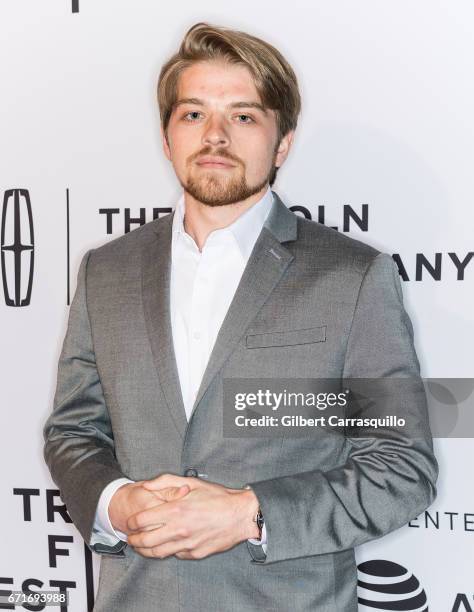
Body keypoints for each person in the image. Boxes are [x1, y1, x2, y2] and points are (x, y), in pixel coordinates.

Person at [43, 22, 438, 611]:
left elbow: (402, 468)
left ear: (282, 144)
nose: (216, 136)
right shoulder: (107, 271)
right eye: (194, 114)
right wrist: (112, 501)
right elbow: (73, 432)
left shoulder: (351, 277)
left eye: (245, 117)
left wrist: (248, 513)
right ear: (167, 134)